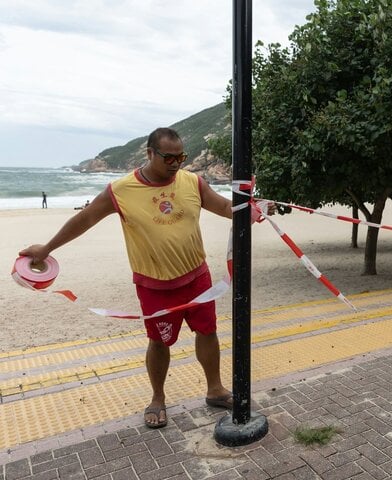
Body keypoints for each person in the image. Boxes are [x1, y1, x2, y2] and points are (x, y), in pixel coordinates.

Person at [20, 127, 272, 429]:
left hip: (197, 278)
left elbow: (224, 208)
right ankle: (157, 397)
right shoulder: (121, 191)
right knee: (158, 341)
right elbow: (84, 219)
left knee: (208, 332)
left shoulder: (193, 182)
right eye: (169, 157)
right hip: (155, 286)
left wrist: (251, 210)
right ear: (150, 153)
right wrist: (46, 248)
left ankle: (215, 389)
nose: (176, 163)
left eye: (181, 156)